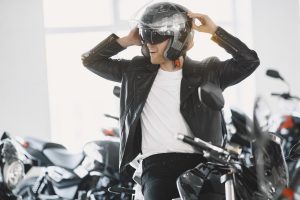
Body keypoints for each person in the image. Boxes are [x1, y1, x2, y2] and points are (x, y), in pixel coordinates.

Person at [81, 1, 260, 199]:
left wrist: (215, 32)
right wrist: (126, 40)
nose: (149, 43)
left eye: (156, 36)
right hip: (158, 166)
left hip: (205, 165)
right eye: (145, 35)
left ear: (178, 38)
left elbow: (249, 61)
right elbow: (90, 60)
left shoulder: (208, 72)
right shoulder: (134, 71)